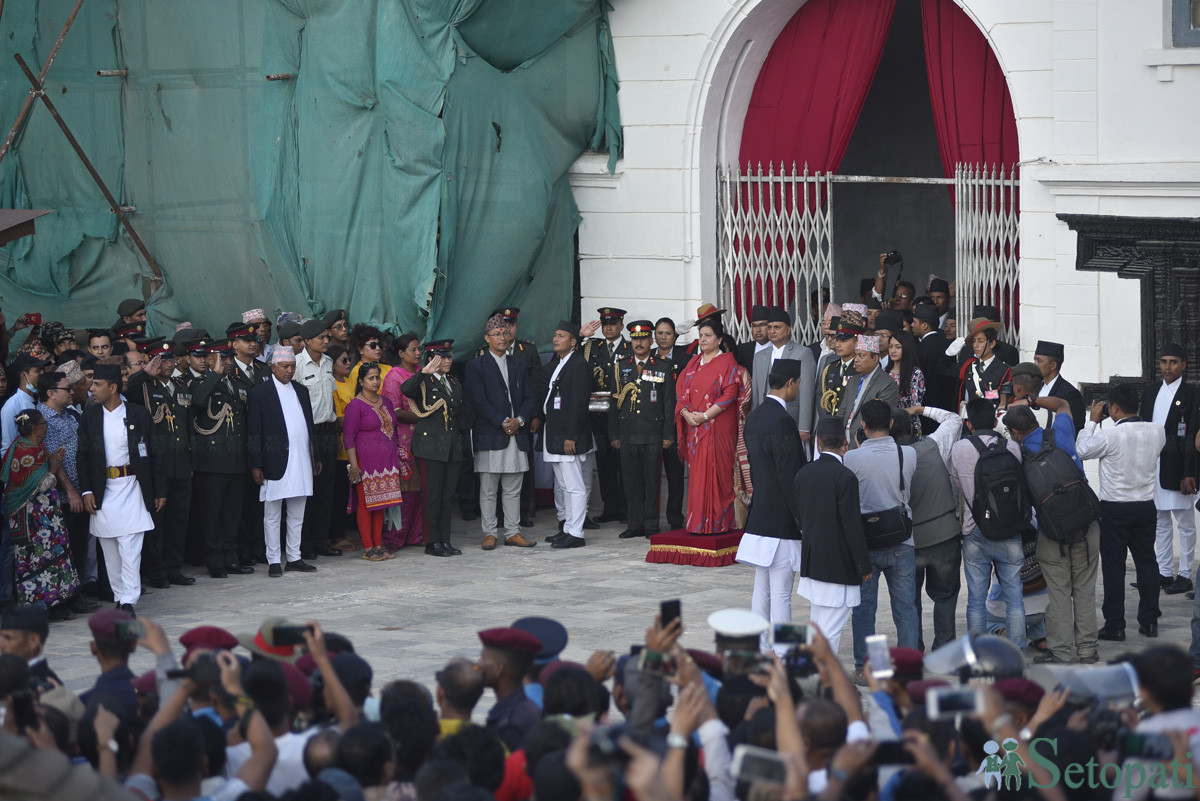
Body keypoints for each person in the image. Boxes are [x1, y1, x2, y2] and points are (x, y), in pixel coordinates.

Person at [1003, 398, 1098, 664]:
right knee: (1084, 590)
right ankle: (1088, 650)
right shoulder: (1061, 431)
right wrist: (1034, 399)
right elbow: (1064, 405)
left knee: (1058, 593)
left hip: (1051, 533)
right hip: (1087, 526)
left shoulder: (1019, 456)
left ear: (1015, 432)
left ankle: (1061, 652)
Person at [1077, 384, 1165, 640]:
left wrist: (1092, 421)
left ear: (1113, 408)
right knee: (1147, 563)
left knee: (1114, 567)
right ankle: (1150, 621)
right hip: (1146, 505)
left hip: (1115, 507)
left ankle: (1115, 625)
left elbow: (1082, 449)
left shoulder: (1111, 436)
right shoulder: (1157, 431)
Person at [76, 363, 164, 615]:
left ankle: (128, 599)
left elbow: (154, 453)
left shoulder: (138, 414)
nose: (91, 389)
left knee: (130, 545)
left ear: (112, 388)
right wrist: (86, 491)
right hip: (104, 489)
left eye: (97, 385)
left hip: (132, 486)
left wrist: (159, 490)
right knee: (109, 546)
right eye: (91, 384)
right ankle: (120, 595)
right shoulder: (90, 416)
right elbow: (82, 457)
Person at [735, 360, 806, 655]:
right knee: (781, 592)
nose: (798, 388)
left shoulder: (756, 417)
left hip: (761, 512)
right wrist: (802, 516)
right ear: (790, 383)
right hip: (781, 520)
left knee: (761, 588)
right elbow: (791, 476)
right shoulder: (782, 421)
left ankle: (761, 644)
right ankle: (785, 650)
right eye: (798, 383)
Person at [844, 400, 919, 675]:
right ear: (890, 424)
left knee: (865, 611)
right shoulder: (908, 455)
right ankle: (909, 668)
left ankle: (869, 668)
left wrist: (857, 446)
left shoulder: (851, 457)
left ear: (862, 425)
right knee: (905, 608)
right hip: (901, 541)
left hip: (866, 544)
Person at [950, 398, 1027, 649]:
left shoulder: (959, 449)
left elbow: (959, 487)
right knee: (1015, 599)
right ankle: (1016, 655)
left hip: (975, 531)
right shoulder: (1012, 447)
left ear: (969, 424)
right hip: (1009, 530)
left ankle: (978, 655)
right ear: (995, 421)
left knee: (976, 600)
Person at [791, 417, 872, 656]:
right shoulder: (845, 477)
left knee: (818, 626)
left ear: (817, 443)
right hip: (839, 567)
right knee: (830, 631)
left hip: (814, 561)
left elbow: (799, 517)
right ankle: (826, 685)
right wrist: (863, 565)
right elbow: (852, 527)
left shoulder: (803, 474)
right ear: (845, 444)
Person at [125, 342, 195, 592]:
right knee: (157, 520)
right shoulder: (142, 386)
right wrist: (145, 372)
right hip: (158, 464)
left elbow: (187, 427)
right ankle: (156, 571)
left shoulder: (179, 386)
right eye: (161, 359)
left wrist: (191, 461)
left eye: (170, 359)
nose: (168, 363)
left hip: (180, 462)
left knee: (179, 519)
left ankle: (174, 567)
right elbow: (126, 389)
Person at [889, 409, 960, 652]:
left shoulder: (888, 459)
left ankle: (912, 651)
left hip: (910, 542)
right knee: (946, 597)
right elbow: (954, 419)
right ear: (912, 429)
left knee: (909, 600)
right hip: (945, 536)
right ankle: (944, 649)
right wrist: (921, 409)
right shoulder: (935, 444)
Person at [464, 315, 536, 551]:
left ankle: (513, 532)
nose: (503, 338)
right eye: (497, 334)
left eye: (505, 333)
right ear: (487, 339)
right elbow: (477, 400)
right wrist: (503, 421)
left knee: (513, 488)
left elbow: (529, 397)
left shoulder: (519, 364)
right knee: (488, 489)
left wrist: (520, 420)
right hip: (491, 433)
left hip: (516, 433)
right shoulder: (476, 366)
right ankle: (490, 533)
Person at [1, 408, 80, 618]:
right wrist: (53, 467)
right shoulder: (23, 452)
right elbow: (41, 484)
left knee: (53, 558)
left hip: (47, 517)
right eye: (44, 423)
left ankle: (56, 604)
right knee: (37, 561)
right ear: (36, 428)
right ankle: (40, 609)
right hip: (32, 519)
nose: (47, 427)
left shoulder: (36, 446)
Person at [248, 348, 319, 578]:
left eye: (292, 366)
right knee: (272, 513)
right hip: (274, 460)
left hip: (301, 459)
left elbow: (310, 427)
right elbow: (254, 432)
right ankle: (273, 560)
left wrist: (315, 456)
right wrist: (256, 464)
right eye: (285, 366)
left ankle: (294, 557)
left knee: (298, 511)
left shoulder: (301, 390)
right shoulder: (260, 393)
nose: (289, 371)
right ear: (273, 367)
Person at [675, 317, 749, 535]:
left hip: (718, 427)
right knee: (698, 476)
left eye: (708, 336)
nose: (703, 340)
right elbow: (680, 393)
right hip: (695, 428)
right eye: (700, 336)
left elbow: (730, 394)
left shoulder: (727, 363)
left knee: (719, 475)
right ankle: (697, 525)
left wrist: (705, 415)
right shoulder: (693, 363)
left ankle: (719, 524)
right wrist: (686, 414)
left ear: (719, 339)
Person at [608, 320, 676, 540]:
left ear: (651, 340)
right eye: (635, 339)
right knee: (631, 481)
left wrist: (667, 435)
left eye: (644, 338)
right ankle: (634, 523)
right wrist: (614, 434)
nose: (639, 343)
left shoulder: (663, 365)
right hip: (627, 433)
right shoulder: (620, 365)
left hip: (653, 433)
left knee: (651, 481)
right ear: (631, 341)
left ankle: (651, 524)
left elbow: (668, 403)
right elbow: (613, 403)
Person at [1139, 342, 1198, 596]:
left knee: (1184, 523)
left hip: (1179, 465)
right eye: (1164, 362)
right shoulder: (1151, 391)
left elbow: (1193, 434)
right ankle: (1163, 573)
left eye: (1173, 362)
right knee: (1160, 521)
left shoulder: (1192, 393)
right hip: (1154, 464)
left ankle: (1184, 574)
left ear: (1183, 365)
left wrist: (1190, 472)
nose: (1167, 367)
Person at [401, 341, 470, 557]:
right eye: (443, 357)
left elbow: (460, 413)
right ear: (432, 359)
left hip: (450, 446)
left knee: (447, 496)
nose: (448, 361)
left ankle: (445, 540)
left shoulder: (454, 382)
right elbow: (405, 390)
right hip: (430, 446)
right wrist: (424, 372)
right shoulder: (424, 381)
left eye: (449, 357)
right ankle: (432, 542)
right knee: (432, 496)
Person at [191, 341, 253, 578]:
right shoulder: (199, 382)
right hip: (212, 462)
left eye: (229, 358)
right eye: (222, 358)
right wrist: (214, 374)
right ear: (209, 359)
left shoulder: (237, 382)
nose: (227, 363)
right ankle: (214, 560)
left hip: (236, 459)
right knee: (212, 514)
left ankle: (231, 556)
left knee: (232, 512)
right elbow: (196, 402)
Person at [541, 322, 595, 550]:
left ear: (573, 342)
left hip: (567, 436)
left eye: (561, 336)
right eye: (554, 335)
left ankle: (576, 532)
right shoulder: (563, 363)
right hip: (554, 434)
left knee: (575, 486)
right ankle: (568, 528)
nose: (556, 339)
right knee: (564, 486)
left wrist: (571, 435)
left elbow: (578, 404)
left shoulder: (578, 365)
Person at [344, 362, 403, 561]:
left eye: (377, 377)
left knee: (381, 503)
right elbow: (349, 438)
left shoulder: (385, 402)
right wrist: (354, 466)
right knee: (365, 503)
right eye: (371, 378)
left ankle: (378, 545)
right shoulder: (355, 405)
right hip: (365, 461)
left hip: (386, 460)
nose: (375, 381)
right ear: (361, 381)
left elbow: (393, 432)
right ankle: (368, 547)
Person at [295, 318, 342, 560]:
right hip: (307, 431)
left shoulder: (328, 362)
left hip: (327, 430)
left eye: (327, 337)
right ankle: (305, 543)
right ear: (306, 341)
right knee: (307, 489)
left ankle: (322, 540)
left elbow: (329, 397)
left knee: (327, 488)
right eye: (321, 338)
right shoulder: (297, 365)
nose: (326, 341)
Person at [379, 335, 425, 551]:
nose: (418, 353)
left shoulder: (421, 372)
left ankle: (415, 535)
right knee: (405, 493)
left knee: (420, 491)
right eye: (413, 349)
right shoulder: (393, 376)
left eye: (419, 349)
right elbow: (394, 412)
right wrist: (425, 416)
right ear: (400, 353)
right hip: (402, 442)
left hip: (423, 439)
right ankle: (394, 539)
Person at [585, 307, 631, 524]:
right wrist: (581, 334)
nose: (609, 327)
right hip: (599, 415)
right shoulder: (592, 347)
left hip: (623, 414)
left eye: (613, 323)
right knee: (604, 463)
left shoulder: (630, 348)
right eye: (605, 324)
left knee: (625, 462)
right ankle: (610, 507)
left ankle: (626, 507)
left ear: (621, 325)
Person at [751, 307, 815, 445]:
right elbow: (756, 393)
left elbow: (806, 392)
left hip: (791, 419)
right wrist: (755, 420)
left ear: (788, 329)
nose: (772, 331)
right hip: (765, 420)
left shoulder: (803, 353)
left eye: (777, 327)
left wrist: (804, 426)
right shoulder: (759, 356)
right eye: (769, 327)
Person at [476, 627, 543, 752]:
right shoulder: (522, 708)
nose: (477, 665)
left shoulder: (510, 726)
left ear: (498, 669)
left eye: (483, 659)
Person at [653, 317, 688, 531]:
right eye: (659, 333)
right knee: (649, 476)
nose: (663, 337)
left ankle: (675, 519)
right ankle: (649, 520)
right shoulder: (647, 358)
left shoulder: (686, 359)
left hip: (676, 426)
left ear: (675, 335)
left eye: (667, 333)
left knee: (675, 476)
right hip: (651, 426)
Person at [837, 335, 899, 449]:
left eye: (861, 355)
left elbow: (877, 423)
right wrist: (838, 441)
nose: (856, 360)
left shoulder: (887, 384)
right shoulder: (853, 380)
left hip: (866, 446)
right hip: (843, 443)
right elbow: (842, 412)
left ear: (875, 358)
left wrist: (853, 446)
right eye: (855, 355)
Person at [958, 317, 1013, 414]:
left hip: (991, 419)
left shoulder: (1004, 370)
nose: (976, 345)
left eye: (980, 341)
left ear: (992, 343)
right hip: (971, 420)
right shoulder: (969, 367)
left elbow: (1004, 399)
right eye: (974, 341)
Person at [1033, 340, 1085, 433]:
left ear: (1052, 365)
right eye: (1035, 360)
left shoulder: (1070, 394)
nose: (1035, 364)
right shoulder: (1035, 387)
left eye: (1039, 361)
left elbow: (1075, 429)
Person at [2, 353, 48, 455]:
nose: (42, 374)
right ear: (24, 375)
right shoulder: (11, 406)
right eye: (37, 371)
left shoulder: (40, 401)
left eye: (42, 370)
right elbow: (8, 447)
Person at [0, 605, 58, 683]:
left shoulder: (41, 685)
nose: (1, 644)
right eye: (1, 637)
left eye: (8, 638)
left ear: (33, 641)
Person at [888, 331, 925, 434]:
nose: (893, 351)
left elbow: (915, 406)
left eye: (898, 347)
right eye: (890, 346)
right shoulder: (884, 373)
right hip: (886, 426)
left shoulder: (915, 374)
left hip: (908, 426)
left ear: (906, 348)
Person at [733, 304, 770, 373]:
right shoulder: (741, 350)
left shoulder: (778, 348)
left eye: (762, 325)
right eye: (754, 326)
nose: (758, 330)